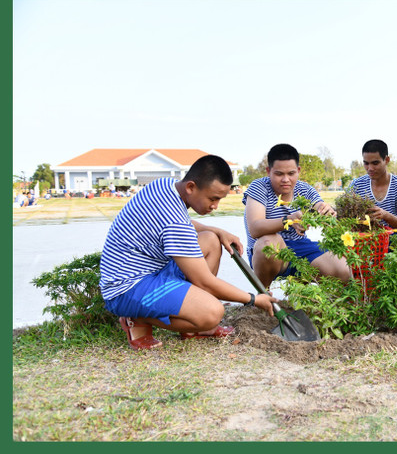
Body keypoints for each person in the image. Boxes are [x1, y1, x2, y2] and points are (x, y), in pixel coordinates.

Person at [100, 155, 276, 350]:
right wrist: (252, 298)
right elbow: (204, 281)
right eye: (213, 198)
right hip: (127, 287)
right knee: (212, 313)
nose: (215, 206)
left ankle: (193, 323)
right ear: (191, 187)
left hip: (150, 271)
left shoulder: (165, 185)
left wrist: (218, 231)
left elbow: (179, 223)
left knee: (210, 239)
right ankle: (136, 318)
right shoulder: (174, 222)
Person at [243, 143, 353, 286]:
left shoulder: (304, 189)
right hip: (269, 251)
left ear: (298, 170)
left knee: (344, 270)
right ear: (268, 171)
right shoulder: (259, 187)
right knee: (268, 243)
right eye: (279, 174)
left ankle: (318, 300)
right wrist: (288, 221)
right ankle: (264, 295)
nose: (286, 180)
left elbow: (318, 205)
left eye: (291, 173)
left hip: (300, 247)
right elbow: (255, 228)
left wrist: (325, 210)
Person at [350, 139, 397, 237]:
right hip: (366, 236)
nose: (370, 168)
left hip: (395, 235)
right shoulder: (356, 185)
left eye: (375, 163)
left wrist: (385, 215)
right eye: (366, 163)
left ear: (386, 160)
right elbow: (346, 216)